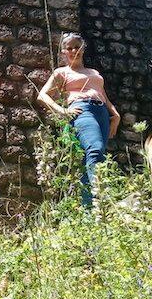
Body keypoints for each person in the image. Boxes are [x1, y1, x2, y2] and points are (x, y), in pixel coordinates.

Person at [37, 32, 121, 207]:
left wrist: (115, 115)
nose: (74, 50)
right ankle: (103, 202)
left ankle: (88, 210)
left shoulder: (94, 72)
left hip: (102, 113)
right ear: (63, 52)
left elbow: (102, 95)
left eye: (77, 46)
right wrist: (63, 111)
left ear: (83, 48)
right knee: (95, 150)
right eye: (69, 48)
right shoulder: (62, 72)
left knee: (89, 158)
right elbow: (42, 95)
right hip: (82, 110)